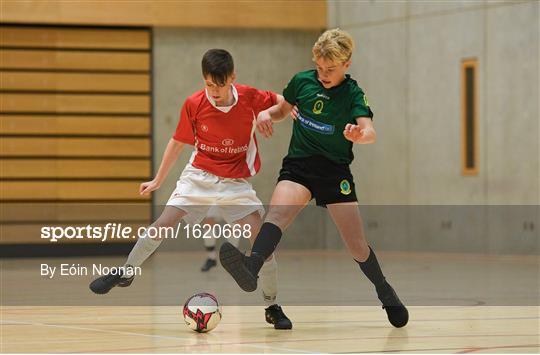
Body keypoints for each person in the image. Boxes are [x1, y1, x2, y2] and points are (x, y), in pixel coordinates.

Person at [89, 49, 292, 330]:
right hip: (199, 176)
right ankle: (126, 271)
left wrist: (268, 114)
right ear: (203, 79)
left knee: (263, 242)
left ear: (232, 77)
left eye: (220, 85)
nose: (215, 91)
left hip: (235, 181)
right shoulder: (194, 103)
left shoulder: (249, 97)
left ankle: (271, 305)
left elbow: (283, 103)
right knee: (164, 223)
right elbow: (177, 142)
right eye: (209, 84)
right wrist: (158, 179)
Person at [219, 29, 409, 328]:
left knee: (357, 246)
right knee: (277, 214)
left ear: (346, 63)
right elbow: (283, 110)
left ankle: (385, 292)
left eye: (330, 69)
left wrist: (360, 135)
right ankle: (251, 267)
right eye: (319, 68)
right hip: (300, 166)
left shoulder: (353, 94)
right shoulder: (302, 82)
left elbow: (369, 131)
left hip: (334, 171)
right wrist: (268, 114)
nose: (323, 74)